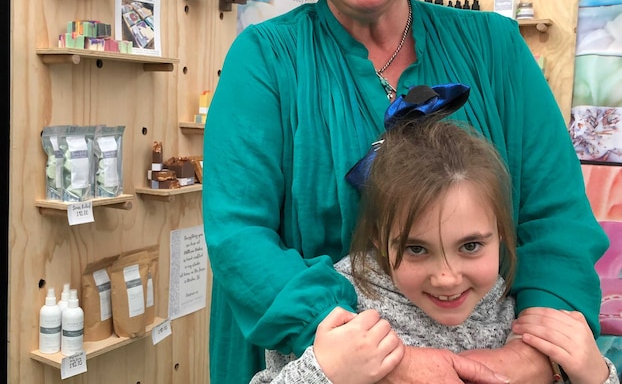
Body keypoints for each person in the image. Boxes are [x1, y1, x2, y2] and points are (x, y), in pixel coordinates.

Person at [201, 0, 609, 384]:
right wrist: (385, 362)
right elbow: (239, 237)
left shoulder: (495, 48)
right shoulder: (265, 60)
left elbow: (556, 215)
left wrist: (536, 349)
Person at [249, 105, 618, 384]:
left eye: (471, 246)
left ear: (503, 232)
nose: (446, 278)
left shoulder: (519, 315)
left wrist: (596, 375)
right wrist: (323, 372)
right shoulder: (341, 316)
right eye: (416, 249)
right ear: (379, 239)